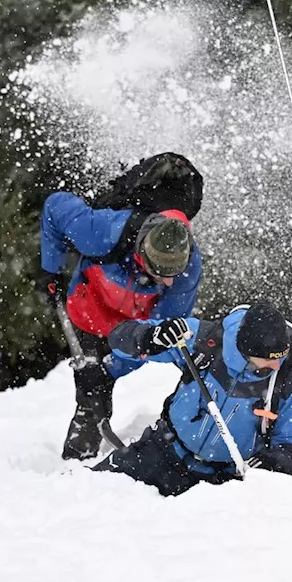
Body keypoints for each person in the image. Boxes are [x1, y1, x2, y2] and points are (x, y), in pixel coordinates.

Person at [36, 191, 204, 459]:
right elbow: (55, 206)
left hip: (130, 328)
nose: (170, 283)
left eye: (174, 274)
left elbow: (156, 337)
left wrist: (110, 368)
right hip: (88, 314)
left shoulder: (188, 268)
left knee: (100, 382)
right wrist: (50, 268)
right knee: (91, 397)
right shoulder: (101, 231)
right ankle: (75, 466)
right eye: (161, 274)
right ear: (143, 255)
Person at [92, 302, 292, 497]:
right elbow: (118, 339)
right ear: (245, 350)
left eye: (281, 357)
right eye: (267, 360)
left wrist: (271, 463)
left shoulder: (286, 382)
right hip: (163, 452)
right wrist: (149, 337)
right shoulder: (206, 341)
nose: (276, 365)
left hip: (221, 482)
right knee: (89, 490)